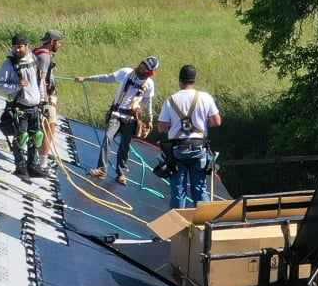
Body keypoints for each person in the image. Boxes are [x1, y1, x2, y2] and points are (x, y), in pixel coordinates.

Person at [77, 57, 159, 184]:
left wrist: (150, 120)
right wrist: (87, 78)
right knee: (108, 138)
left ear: (150, 71)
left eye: (146, 68)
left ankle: (121, 173)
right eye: (142, 64)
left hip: (131, 118)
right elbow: (108, 77)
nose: (142, 68)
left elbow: (148, 103)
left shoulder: (149, 84)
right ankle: (102, 169)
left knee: (125, 146)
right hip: (116, 113)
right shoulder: (126, 72)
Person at [158, 65, 222, 206]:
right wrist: (203, 124)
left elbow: (162, 127)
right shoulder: (205, 97)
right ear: (194, 80)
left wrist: (174, 126)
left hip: (177, 150)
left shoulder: (170, 100)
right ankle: (204, 224)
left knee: (178, 190)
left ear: (180, 80)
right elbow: (216, 121)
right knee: (200, 189)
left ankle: (179, 225)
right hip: (198, 148)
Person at [0, 34, 50, 180]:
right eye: (15, 47)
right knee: (21, 138)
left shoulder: (34, 60)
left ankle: (32, 167)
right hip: (20, 107)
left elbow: (40, 82)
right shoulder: (9, 65)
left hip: (35, 106)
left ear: (27, 46)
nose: (17, 50)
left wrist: (43, 100)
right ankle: (20, 167)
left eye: (19, 47)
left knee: (35, 137)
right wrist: (17, 86)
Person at [34, 30, 64, 160]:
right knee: (49, 128)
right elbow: (42, 79)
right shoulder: (45, 57)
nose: (60, 45)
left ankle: (35, 157)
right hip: (45, 99)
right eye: (59, 42)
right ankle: (43, 161)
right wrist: (44, 99)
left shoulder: (36, 53)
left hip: (37, 96)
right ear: (52, 42)